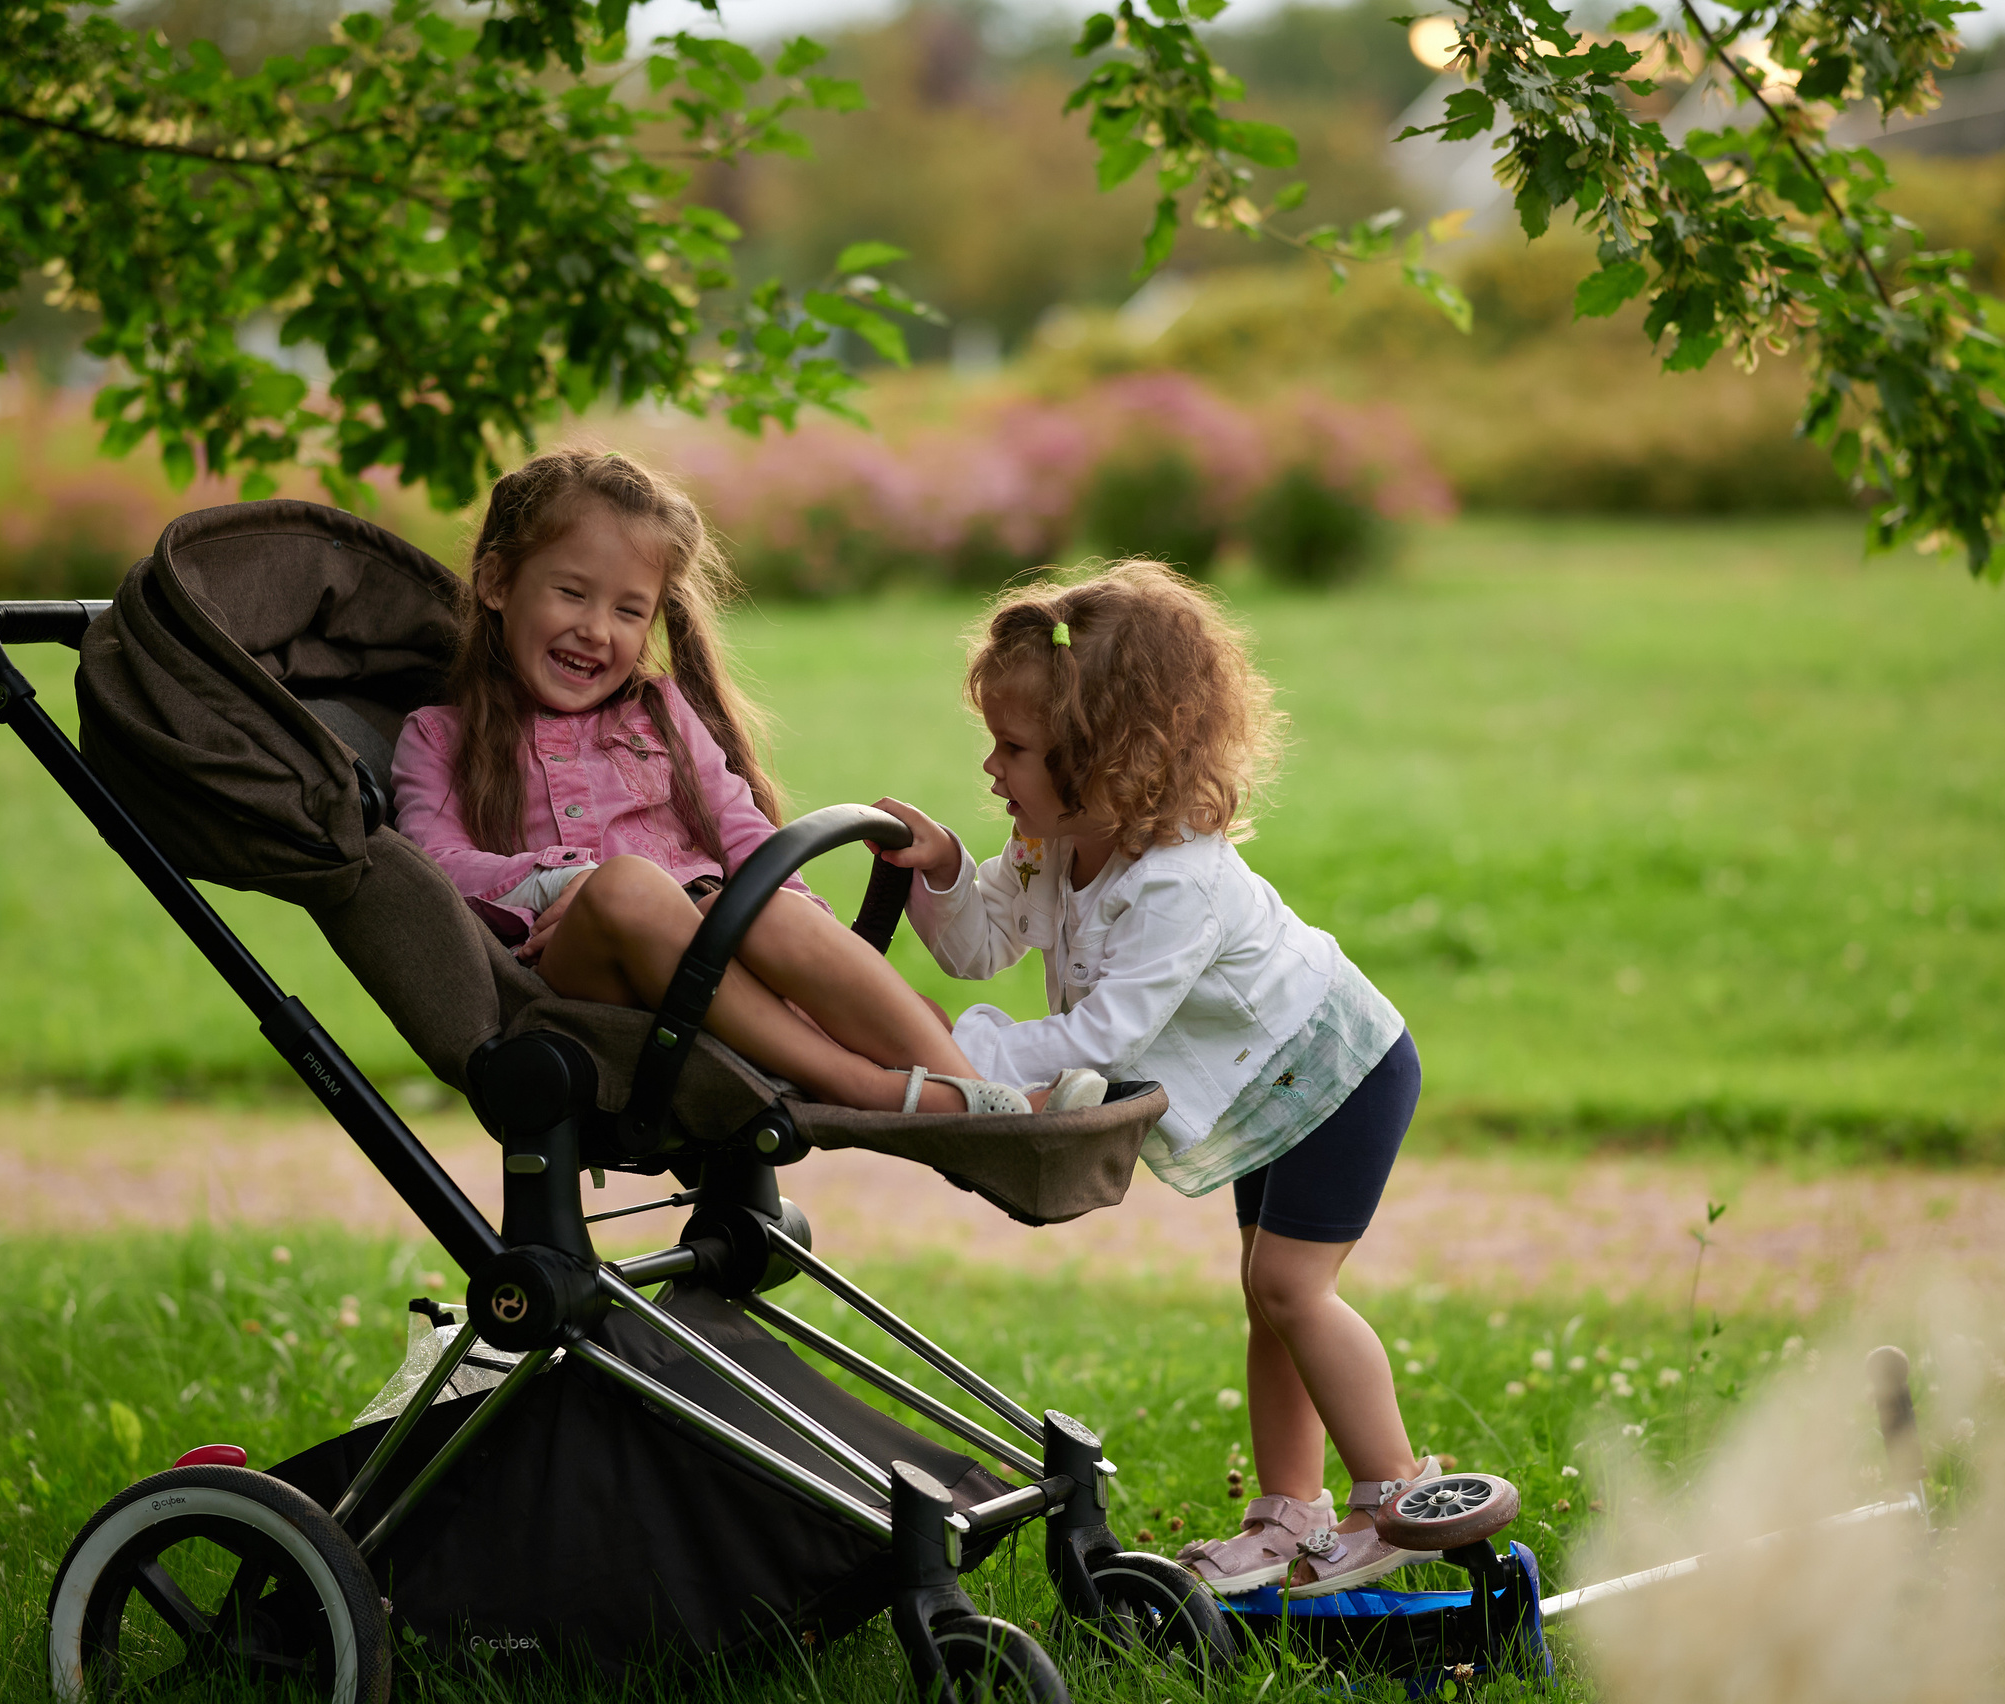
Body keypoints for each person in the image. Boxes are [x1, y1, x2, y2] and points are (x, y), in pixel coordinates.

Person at [871, 560, 1447, 1596]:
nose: (992, 768)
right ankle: (1290, 1512)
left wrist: (961, 1061)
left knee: (1291, 1290)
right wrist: (946, 866)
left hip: (1336, 1071)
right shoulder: (1055, 841)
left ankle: (1395, 1497)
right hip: (1268, 1085)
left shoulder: (1177, 883)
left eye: (1015, 748)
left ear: (1108, 759)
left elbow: (1107, 1034)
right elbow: (978, 945)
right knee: (1268, 1297)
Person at [391, 448, 1097, 1118]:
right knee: (627, 886)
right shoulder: (439, 737)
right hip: (585, 991)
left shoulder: (660, 714)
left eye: (628, 611)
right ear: (496, 583)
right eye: (572, 594)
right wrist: (560, 881)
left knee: (771, 901)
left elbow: (744, 834)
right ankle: (860, 1085)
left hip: (711, 964)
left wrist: (816, 957)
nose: (597, 630)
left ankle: (978, 1100)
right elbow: (431, 872)